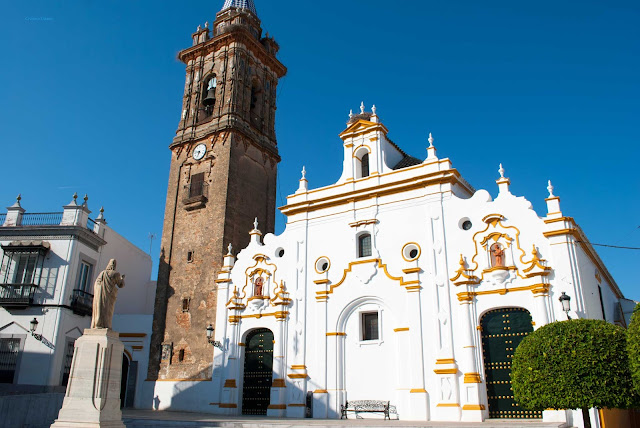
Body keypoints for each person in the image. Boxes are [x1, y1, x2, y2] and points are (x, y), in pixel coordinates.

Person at [91, 259, 125, 329]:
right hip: (109, 296)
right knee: (108, 311)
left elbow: (96, 284)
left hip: (99, 295)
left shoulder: (102, 273)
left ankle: (97, 323)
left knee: (99, 308)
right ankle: (106, 325)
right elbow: (121, 285)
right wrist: (122, 278)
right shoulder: (115, 274)